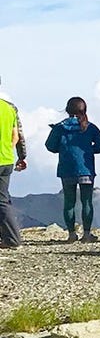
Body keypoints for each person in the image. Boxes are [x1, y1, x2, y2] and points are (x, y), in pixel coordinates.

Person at [44, 97, 100, 243]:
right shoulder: (90, 127)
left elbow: (50, 146)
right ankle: (86, 234)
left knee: (69, 202)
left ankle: (71, 234)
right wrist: (89, 151)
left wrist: (62, 149)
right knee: (87, 201)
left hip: (66, 168)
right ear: (84, 110)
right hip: (86, 169)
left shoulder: (60, 127)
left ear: (67, 110)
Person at [0, 93, 27, 250]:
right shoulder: (9, 108)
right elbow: (16, 136)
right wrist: (20, 155)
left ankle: (12, 239)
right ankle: (10, 238)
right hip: (6, 160)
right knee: (2, 200)